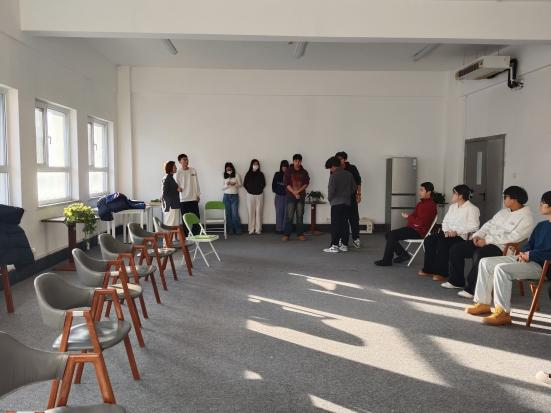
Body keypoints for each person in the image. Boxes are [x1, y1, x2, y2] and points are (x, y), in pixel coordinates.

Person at [465, 191, 551, 326]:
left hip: (543, 266)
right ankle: (483, 303)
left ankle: (502, 313)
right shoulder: (541, 225)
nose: (540, 205)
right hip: (528, 259)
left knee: (502, 269)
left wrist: (530, 255)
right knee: (485, 262)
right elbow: (529, 244)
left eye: (543, 202)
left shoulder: (532, 220)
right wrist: (523, 253)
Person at [442, 186, 535, 299]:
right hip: (485, 241)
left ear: (514, 199)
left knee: (480, 254)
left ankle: (473, 289)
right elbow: (488, 225)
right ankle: (456, 281)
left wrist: (487, 241)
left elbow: (514, 237)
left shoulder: (527, 218)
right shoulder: (503, 212)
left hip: (502, 247)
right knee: (457, 249)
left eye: (505, 197)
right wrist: (478, 235)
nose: (503, 199)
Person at [419, 184, 480, 281]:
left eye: (454, 193)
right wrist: (446, 230)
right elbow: (445, 221)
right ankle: (429, 269)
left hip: (461, 236)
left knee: (443, 243)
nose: (452, 195)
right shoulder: (452, 207)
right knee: (429, 240)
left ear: (460, 196)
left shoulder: (472, 209)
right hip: (447, 233)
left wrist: (457, 232)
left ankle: (442, 273)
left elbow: (474, 226)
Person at [375, 182, 437, 266]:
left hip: (419, 232)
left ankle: (387, 260)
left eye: (422, 190)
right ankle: (403, 254)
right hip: (413, 229)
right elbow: (414, 216)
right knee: (388, 234)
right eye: (420, 190)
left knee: (392, 235)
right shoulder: (420, 203)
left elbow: (421, 223)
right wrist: (410, 218)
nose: (419, 192)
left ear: (428, 192)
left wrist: (408, 217)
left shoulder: (431, 205)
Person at [323, 157, 357, 253]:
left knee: (335, 225)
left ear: (334, 166)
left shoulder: (333, 176)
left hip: (336, 203)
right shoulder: (349, 174)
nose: (330, 170)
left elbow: (331, 191)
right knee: (345, 224)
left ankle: (334, 246)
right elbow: (354, 188)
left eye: (330, 168)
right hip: (347, 203)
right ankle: (344, 245)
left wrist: (330, 199)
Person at [335, 151, 362, 248]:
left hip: (351, 196)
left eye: (341, 159)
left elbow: (358, 181)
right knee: (342, 219)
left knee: (354, 218)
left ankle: (356, 238)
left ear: (345, 159)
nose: (339, 160)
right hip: (340, 198)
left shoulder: (352, 168)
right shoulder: (335, 168)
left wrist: (359, 194)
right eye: (337, 159)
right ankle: (342, 239)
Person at [282, 154, 310, 241]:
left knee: (300, 215)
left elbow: (306, 183)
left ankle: (300, 234)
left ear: (301, 162)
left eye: (299, 161)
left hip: (300, 197)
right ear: (293, 161)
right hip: (291, 196)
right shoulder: (288, 171)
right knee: (289, 216)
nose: (297, 163)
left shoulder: (304, 172)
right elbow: (286, 184)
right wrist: (294, 192)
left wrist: (298, 192)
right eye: (296, 161)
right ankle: (286, 234)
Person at [175, 153, 201, 235]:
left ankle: (196, 234)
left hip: (193, 198)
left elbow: (196, 183)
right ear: (180, 161)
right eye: (184, 159)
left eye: (187, 159)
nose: (186, 161)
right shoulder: (178, 172)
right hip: (183, 199)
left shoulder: (193, 170)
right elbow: (175, 185)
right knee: (185, 219)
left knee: (196, 217)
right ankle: (186, 235)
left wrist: (198, 194)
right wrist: (177, 188)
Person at [243, 159, 266, 235]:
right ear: (251, 165)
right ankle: (251, 229)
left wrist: (259, 189)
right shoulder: (248, 173)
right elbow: (245, 184)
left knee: (259, 212)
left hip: (259, 195)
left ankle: (258, 229)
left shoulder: (261, 174)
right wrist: (250, 190)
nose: (255, 165)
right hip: (250, 195)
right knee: (251, 212)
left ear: (258, 165)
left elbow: (264, 184)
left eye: (257, 164)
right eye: (254, 164)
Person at [223, 162, 242, 235]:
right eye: (227, 169)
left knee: (235, 214)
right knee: (228, 214)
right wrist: (227, 185)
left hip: (234, 196)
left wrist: (234, 184)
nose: (228, 170)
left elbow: (240, 185)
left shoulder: (236, 175)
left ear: (232, 168)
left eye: (229, 169)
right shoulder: (224, 176)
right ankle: (230, 229)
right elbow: (222, 188)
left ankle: (238, 229)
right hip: (226, 196)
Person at [161, 161, 182, 227]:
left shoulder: (171, 177)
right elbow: (164, 193)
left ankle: (173, 235)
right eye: (174, 166)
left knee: (174, 225)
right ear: (170, 168)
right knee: (170, 225)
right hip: (171, 206)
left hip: (174, 205)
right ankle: (168, 235)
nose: (176, 168)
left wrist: (177, 189)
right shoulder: (167, 178)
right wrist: (176, 190)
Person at [272, 160, 289, 234]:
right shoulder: (277, 174)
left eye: (285, 166)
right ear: (281, 167)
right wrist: (277, 191)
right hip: (279, 196)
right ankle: (278, 229)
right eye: (283, 166)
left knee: (286, 213)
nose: (284, 168)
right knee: (279, 213)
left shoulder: (289, 175)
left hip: (287, 196)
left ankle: (285, 229)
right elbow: (273, 185)